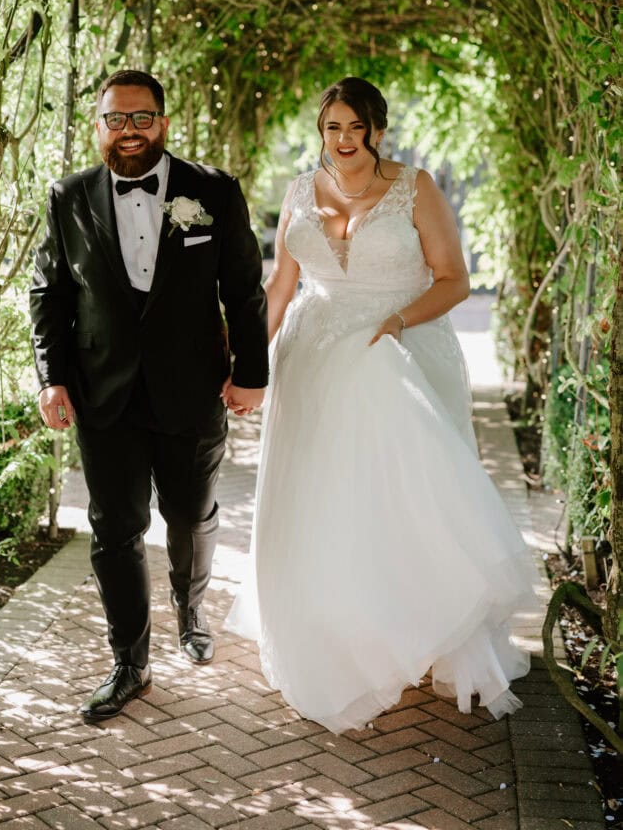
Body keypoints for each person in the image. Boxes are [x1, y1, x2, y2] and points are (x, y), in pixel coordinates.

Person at [224, 76, 534, 734]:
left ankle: (422, 624)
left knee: (403, 492)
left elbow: (454, 280)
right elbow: (279, 287)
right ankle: (334, 629)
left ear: (376, 130)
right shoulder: (297, 192)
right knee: (318, 492)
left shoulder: (415, 188)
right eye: (330, 128)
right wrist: (246, 366)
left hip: (402, 347)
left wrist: (395, 323)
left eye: (353, 128)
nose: (342, 141)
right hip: (311, 356)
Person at [31, 69, 268, 724]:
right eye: (116, 119)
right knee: (114, 530)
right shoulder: (68, 196)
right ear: (98, 125)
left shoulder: (211, 192)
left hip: (191, 388)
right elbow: (47, 292)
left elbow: (243, 289)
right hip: (101, 392)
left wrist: (252, 371)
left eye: (141, 118)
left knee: (189, 516)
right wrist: (50, 375)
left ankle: (191, 610)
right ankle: (129, 662)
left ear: (163, 122)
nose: (128, 131)